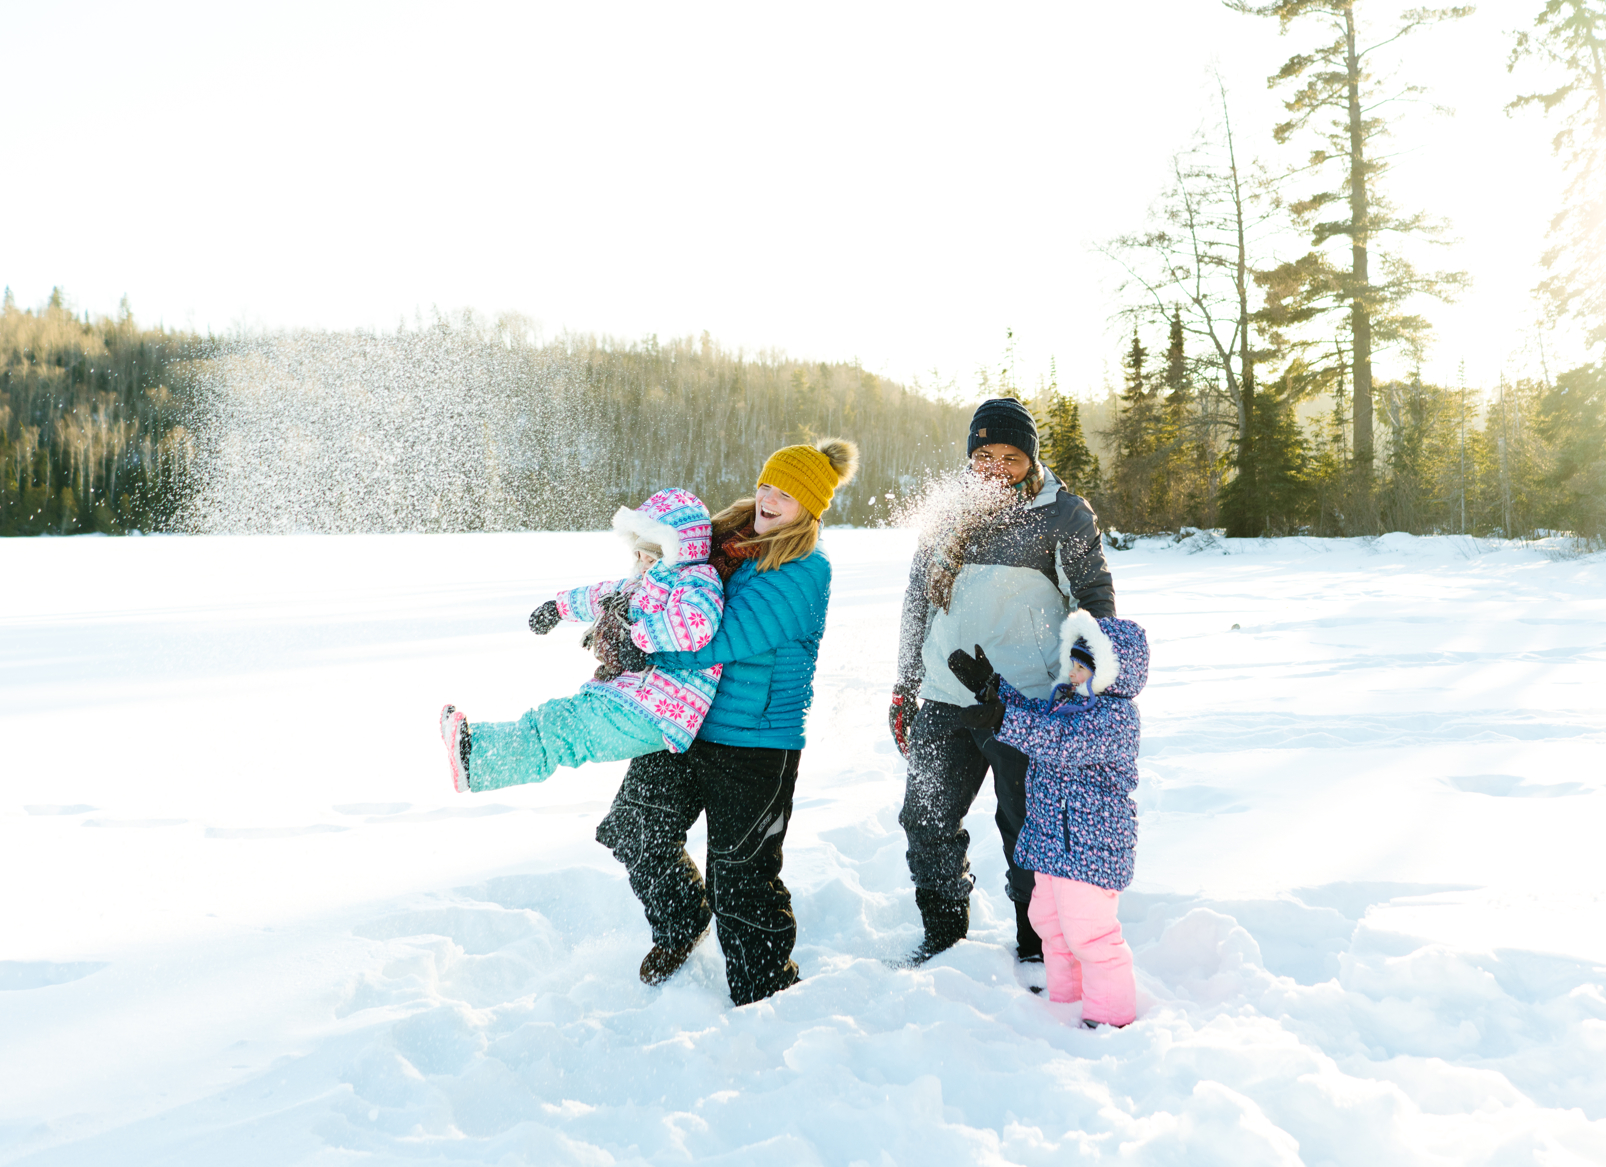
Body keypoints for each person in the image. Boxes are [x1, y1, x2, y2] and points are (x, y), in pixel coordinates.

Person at [594, 438, 858, 1005]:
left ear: (809, 507)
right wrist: (625, 609)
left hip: (755, 744)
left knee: (740, 878)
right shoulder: (722, 541)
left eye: (786, 494)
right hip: (683, 720)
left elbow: (717, 638)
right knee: (635, 830)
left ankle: (766, 996)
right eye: (767, 484)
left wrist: (639, 642)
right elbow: (664, 575)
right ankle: (683, 919)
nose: (769, 498)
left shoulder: (804, 571)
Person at [890, 397, 1116, 971]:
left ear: (1031, 459)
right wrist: (904, 686)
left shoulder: (1063, 515)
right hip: (943, 697)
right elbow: (917, 605)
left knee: (1028, 827)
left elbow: (1093, 606)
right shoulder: (947, 515)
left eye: (1011, 456)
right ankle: (943, 933)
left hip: (1025, 704)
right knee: (926, 816)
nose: (996, 467)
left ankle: (1037, 945)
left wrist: (1082, 693)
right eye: (984, 455)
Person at [439, 487, 725, 791]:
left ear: (677, 550)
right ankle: (478, 750)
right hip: (635, 697)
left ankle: (477, 759)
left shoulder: (697, 580)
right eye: (638, 552)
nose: (642, 561)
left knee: (564, 730)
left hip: (662, 711)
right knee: (558, 717)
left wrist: (639, 640)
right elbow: (602, 595)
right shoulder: (642, 582)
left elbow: (697, 623)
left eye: (652, 554)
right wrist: (560, 607)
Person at [948, 609, 1148, 1029]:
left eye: (1083, 666)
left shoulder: (1115, 719)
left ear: (1109, 672)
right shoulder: (1068, 703)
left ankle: (1109, 1018)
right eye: (1072, 663)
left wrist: (1005, 721)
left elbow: (1060, 743)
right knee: (1050, 926)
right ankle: (1064, 1003)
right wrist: (996, 692)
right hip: (1056, 843)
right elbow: (1040, 720)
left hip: (1089, 846)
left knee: (1089, 934)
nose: (1072, 672)